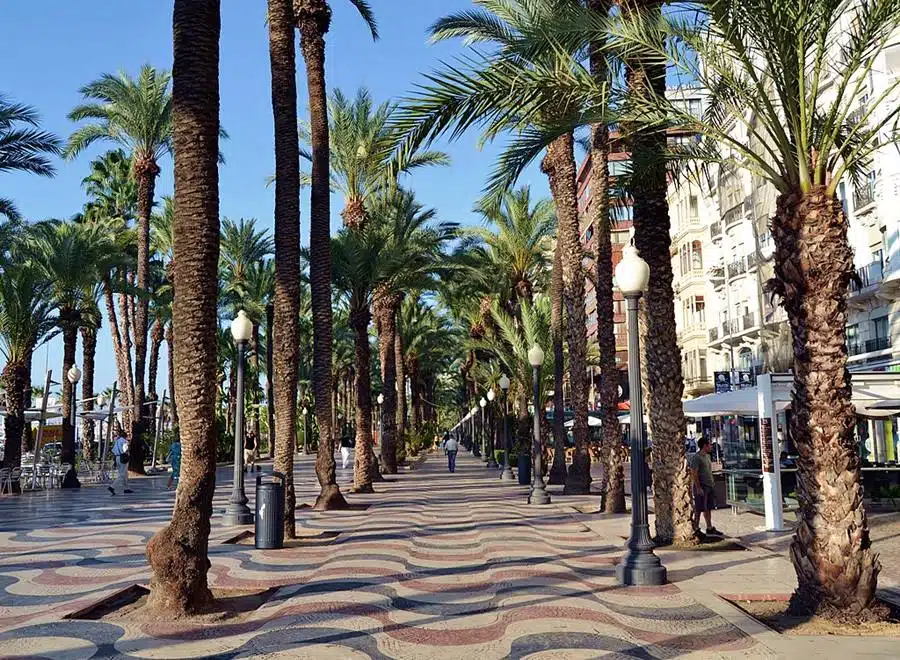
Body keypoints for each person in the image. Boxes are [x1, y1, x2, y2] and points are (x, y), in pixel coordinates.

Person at [689, 437, 721, 538]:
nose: (711, 446)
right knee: (699, 508)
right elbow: (694, 473)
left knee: (708, 508)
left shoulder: (707, 456)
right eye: (709, 445)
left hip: (709, 485)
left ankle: (709, 528)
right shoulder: (696, 457)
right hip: (702, 486)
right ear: (704, 446)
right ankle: (696, 528)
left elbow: (708, 470)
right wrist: (698, 488)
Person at [108, 425, 133, 496]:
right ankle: (112, 487)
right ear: (125, 436)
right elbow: (125, 449)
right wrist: (128, 448)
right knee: (122, 475)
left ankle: (126, 488)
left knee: (125, 474)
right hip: (123, 458)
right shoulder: (125, 441)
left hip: (117, 458)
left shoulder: (117, 441)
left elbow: (113, 450)